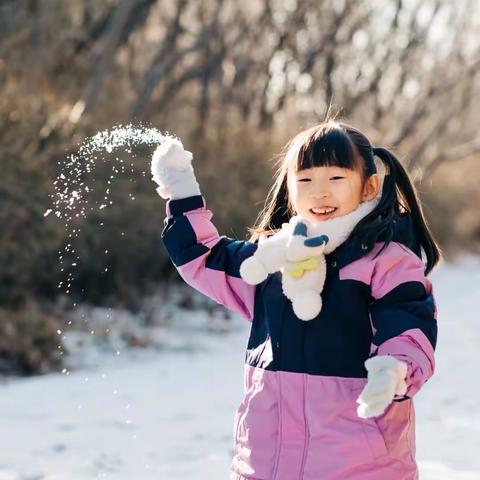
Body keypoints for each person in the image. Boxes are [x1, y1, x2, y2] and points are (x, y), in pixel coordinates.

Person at [151, 119, 440, 480]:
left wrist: (395, 370)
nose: (319, 193)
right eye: (305, 181)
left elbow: (409, 324)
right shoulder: (272, 258)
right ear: (290, 189)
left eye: (335, 179)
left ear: (369, 187)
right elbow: (205, 258)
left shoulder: (386, 261)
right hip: (267, 463)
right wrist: (182, 191)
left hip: (360, 466)